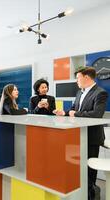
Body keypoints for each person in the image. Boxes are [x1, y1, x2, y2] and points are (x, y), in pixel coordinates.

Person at [53, 66, 108, 200]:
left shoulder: (100, 93)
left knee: (89, 170)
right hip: (77, 135)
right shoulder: (79, 93)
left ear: (86, 77)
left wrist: (75, 113)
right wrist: (64, 113)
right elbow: (73, 109)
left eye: (78, 77)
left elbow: (96, 114)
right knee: (78, 167)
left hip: (92, 136)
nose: (76, 80)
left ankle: (90, 193)